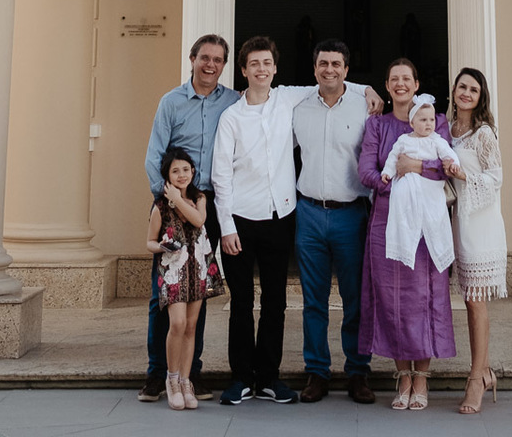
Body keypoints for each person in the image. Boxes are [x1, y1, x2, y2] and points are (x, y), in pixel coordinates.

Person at [212, 35, 380, 407]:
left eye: (266, 63)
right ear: (244, 70)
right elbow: (221, 176)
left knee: (322, 301)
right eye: (254, 64)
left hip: (316, 216)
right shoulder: (249, 113)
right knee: (277, 302)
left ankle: (344, 374)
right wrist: (226, 226)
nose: (261, 69)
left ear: (275, 68)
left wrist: (367, 88)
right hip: (273, 216)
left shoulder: (310, 101)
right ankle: (280, 375)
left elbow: (337, 84)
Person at [139, 34, 236, 404]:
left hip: (209, 207)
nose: (210, 65)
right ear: (192, 59)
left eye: (217, 59)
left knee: (198, 290)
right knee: (164, 294)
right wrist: (169, 202)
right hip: (173, 205)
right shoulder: (172, 102)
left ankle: (190, 373)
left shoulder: (233, 101)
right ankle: (156, 374)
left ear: (224, 65)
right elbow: (154, 156)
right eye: (204, 58)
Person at [359, 58, 457, 411]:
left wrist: (412, 166)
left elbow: (446, 167)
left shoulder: (436, 120)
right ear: (387, 86)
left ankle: (422, 377)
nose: (400, 84)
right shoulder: (377, 125)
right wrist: (395, 184)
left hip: (428, 222)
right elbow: (366, 171)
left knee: (425, 296)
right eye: (394, 79)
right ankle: (402, 376)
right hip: (388, 221)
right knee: (392, 298)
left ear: (416, 85)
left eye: (407, 79)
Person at [293, 39, 376, 405]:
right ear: (314, 69)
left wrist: (366, 89)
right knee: (314, 301)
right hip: (309, 213)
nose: (329, 69)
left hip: (351, 215)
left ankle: (358, 372)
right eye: (323, 63)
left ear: (346, 70)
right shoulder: (298, 107)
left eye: (336, 64)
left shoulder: (365, 107)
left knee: (355, 299)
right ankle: (317, 372)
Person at [146, 145, 225, 410]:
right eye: (175, 171)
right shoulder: (160, 207)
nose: (182, 175)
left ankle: (185, 380)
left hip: (198, 269)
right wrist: (162, 246)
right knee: (177, 324)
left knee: (191, 326)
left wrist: (178, 199)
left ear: (193, 171)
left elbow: (199, 221)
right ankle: (171, 379)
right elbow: (149, 242)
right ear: (167, 175)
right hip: (173, 273)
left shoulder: (199, 198)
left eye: (186, 169)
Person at [449, 67, 508, 416]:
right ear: (454, 91)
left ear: (480, 96)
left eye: (473, 89)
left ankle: (476, 378)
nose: (466, 93)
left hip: (481, 223)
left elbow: (495, 179)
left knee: (476, 302)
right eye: (462, 87)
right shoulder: (447, 129)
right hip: (459, 221)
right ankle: (484, 372)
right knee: (469, 300)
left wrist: (462, 174)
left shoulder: (483, 133)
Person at [381, 95, 463, 271]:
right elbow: (393, 157)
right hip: (408, 185)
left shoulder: (437, 140)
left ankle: (437, 245)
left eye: (431, 120)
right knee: (401, 202)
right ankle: (405, 241)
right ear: (412, 123)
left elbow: (449, 155)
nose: (429, 124)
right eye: (423, 120)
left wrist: (454, 164)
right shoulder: (404, 140)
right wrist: (387, 172)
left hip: (429, 186)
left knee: (435, 213)